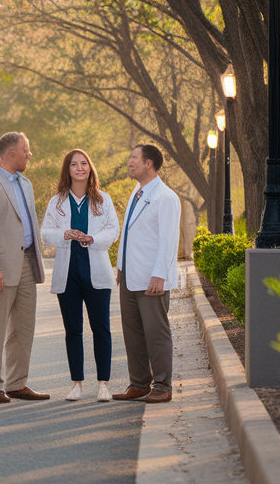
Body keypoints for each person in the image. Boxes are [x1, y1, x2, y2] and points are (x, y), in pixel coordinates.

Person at [0, 131, 49, 404]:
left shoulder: (25, 183)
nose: (29, 154)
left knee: (24, 328)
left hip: (27, 262)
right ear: (11, 152)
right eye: (26, 149)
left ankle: (17, 383)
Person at [40, 150, 120, 402]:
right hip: (68, 273)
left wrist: (93, 239)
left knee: (101, 329)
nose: (79, 168)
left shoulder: (103, 199)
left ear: (90, 168)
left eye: (84, 163)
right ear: (68, 170)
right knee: (73, 330)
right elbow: (45, 232)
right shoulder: (57, 201)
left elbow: (113, 230)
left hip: (95, 272)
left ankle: (103, 384)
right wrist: (63, 234)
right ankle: (77, 383)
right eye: (74, 164)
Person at [114, 144, 181, 404]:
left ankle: (163, 386)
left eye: (134, 157)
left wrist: (160, 275)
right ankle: (139, 383)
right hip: (130, 276)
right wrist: (121, 265)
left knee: (156, 333)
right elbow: (129, 233)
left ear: (149, 163)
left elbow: (168, 240)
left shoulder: (166, 197)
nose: (129, 161)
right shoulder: (137, 192)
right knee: (133, 335)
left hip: (153, 279)